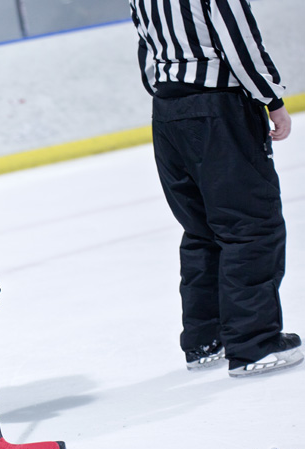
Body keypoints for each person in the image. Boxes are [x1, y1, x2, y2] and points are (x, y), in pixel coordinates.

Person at [128, 0, 302, 377]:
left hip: (168, 112)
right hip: (218, 110)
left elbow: (146, 52)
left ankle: (205, 339)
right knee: (250, 225)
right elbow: (239, 44)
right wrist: (272, 98)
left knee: (201, 227)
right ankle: (254, 344)